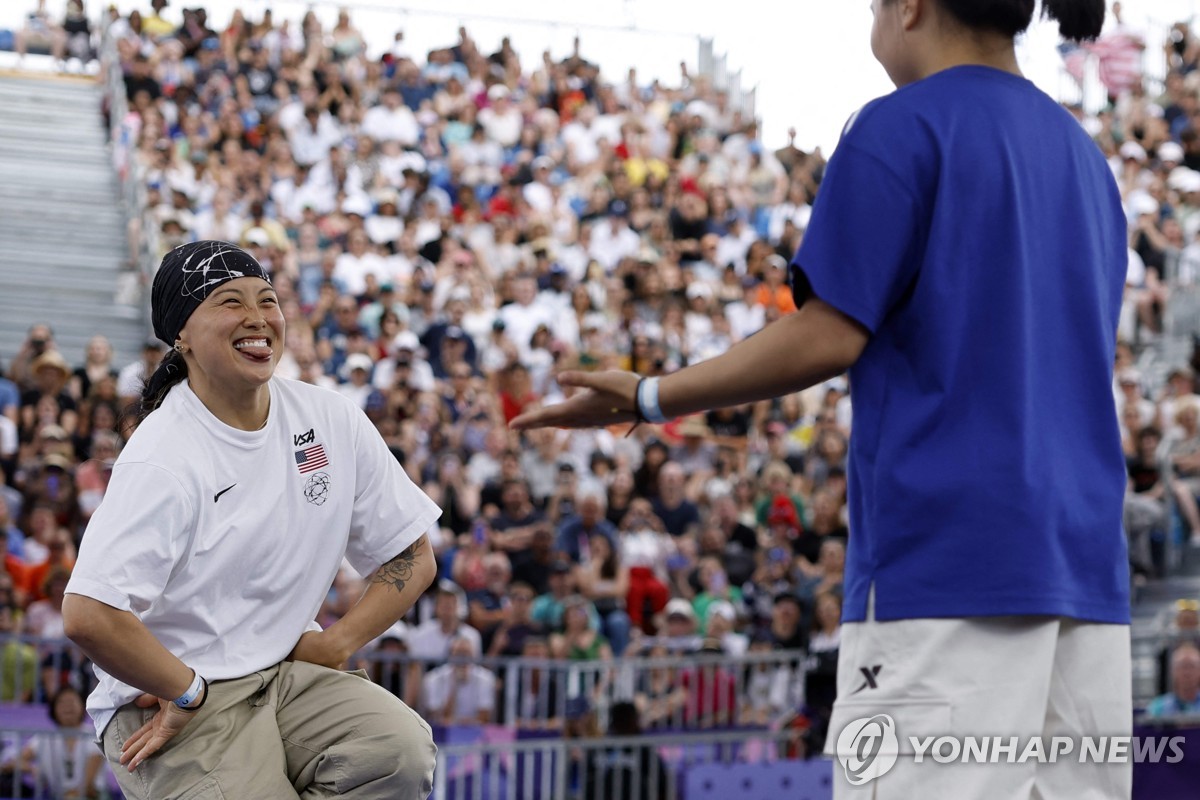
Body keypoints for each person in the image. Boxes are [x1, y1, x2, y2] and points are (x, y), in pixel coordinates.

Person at [512, 1, 1127, 797]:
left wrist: (653, 392)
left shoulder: (899, 125)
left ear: (909, 6)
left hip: (947, 568)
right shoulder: (1085, 156)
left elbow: (829, 333)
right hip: (1086, 576)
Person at [61, 241, 441, 799]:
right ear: (181, 335)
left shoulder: (329, 418)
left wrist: (336, 644)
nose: (258, 318)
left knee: (398, 754)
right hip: (172, 697)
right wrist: (185, 688)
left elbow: (412, 554)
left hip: (282, 675)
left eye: (267, 299)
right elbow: (88, 613)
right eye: (229, 302)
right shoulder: (163, 455)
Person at [1144, 642, 1200, 718]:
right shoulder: (1158, 707)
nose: (1187, 673)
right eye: (1182, 666)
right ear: (1173, 671)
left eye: (1191, 666)